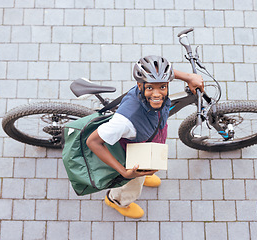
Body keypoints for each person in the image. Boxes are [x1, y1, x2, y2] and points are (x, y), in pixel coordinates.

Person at [86, 55, 204, 218]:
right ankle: (117, 201)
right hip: (132, 158)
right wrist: (125, 172)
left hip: (148, 143)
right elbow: (93, 142)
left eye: (162, 87)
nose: (157, 94)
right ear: (139, 86)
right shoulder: (126, 120)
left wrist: (188, 76)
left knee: (146, 170)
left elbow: (161, 74)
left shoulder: (153, 87)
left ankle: (146, 174)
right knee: (131, 185)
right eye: (150, 88)